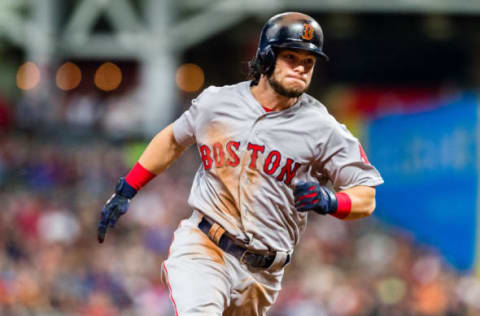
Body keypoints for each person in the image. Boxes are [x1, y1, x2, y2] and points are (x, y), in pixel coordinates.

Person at [97, 12, 384, 316]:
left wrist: (331, 200)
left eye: (309, 62)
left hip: (264, 273)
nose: (301, 68)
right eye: (291, 57)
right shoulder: (216, 103)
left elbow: (366, 197)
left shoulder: (323, 128)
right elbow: (172, 139)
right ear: (266, 57)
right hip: (205, 246)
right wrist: (127, 188)